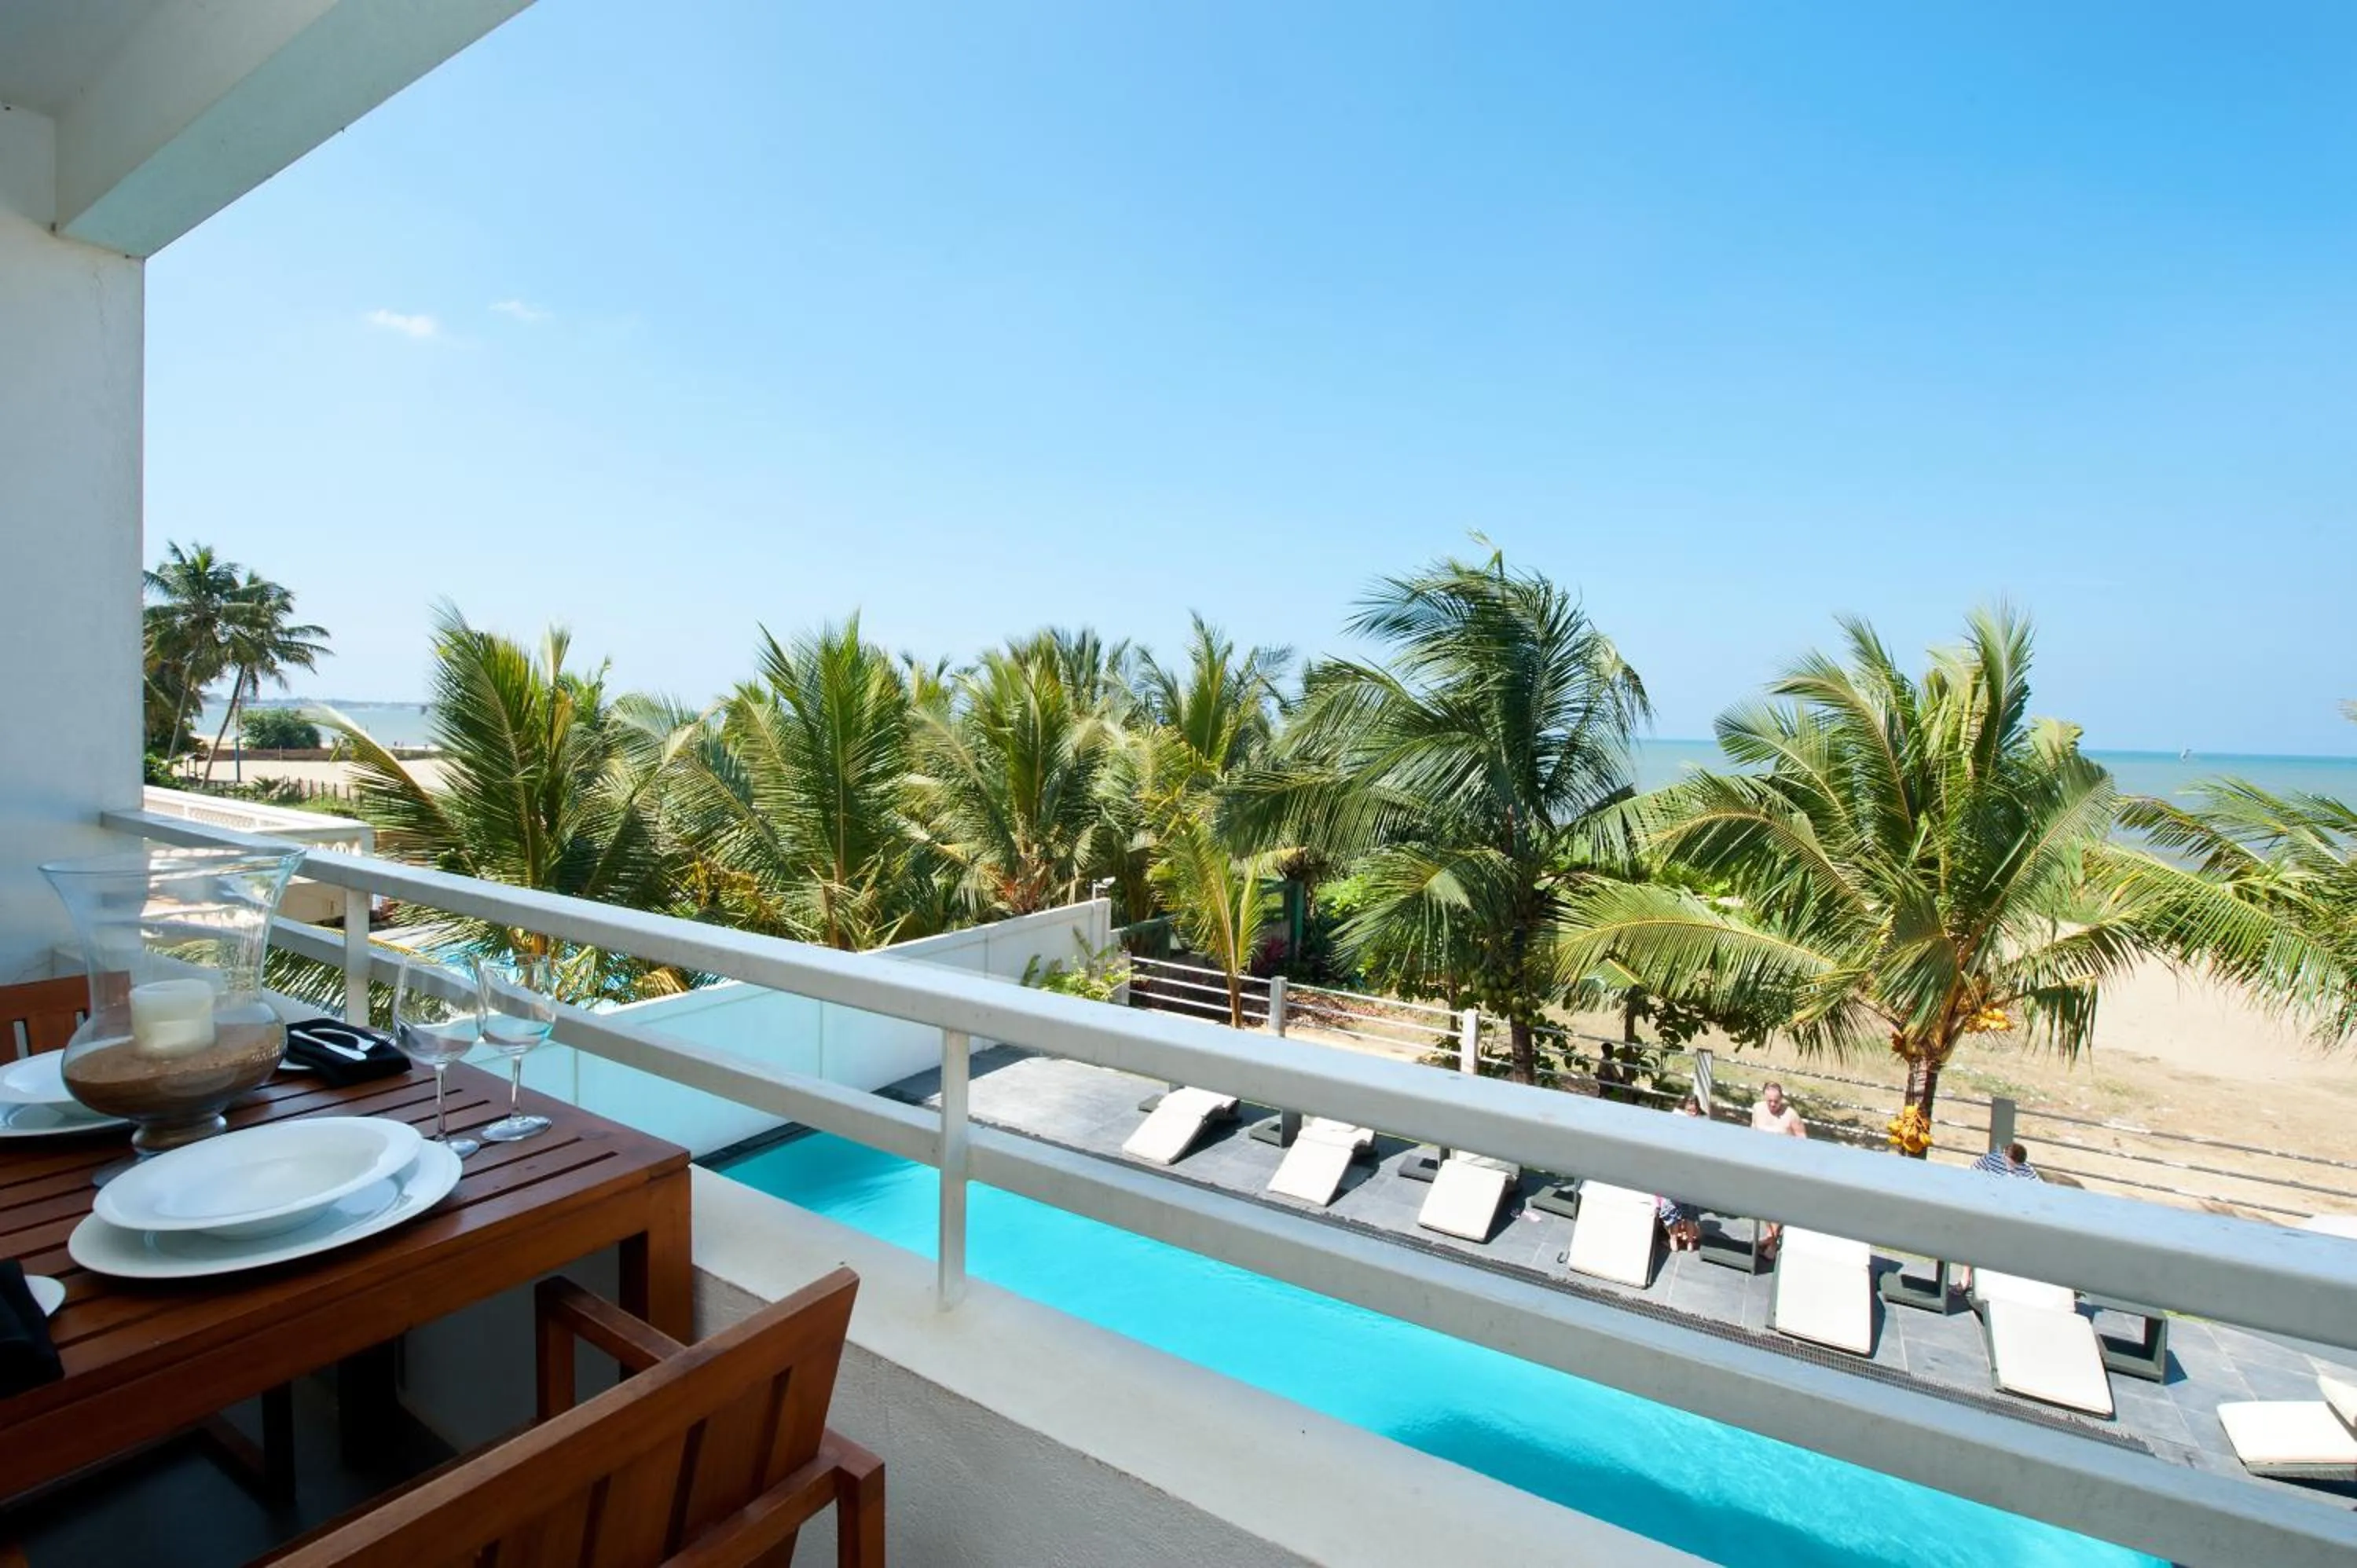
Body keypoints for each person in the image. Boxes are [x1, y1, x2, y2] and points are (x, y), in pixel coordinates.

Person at [1748, 1082, 1807, 1259]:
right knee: (1762, 1203)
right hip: (1762, 1163)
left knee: (1777, 1206)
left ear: (1782, 1099)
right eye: (1770, 1101)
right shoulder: (1757, 1108)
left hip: (1784, 1167)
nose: (1773, 1104)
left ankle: (1773, 1243)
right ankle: (1770, 1236)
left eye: (1776, 1101)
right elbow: (1752, 1131)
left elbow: (1803, 1139)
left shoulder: (1791, 1115)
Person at [1656, 1094, 1706, 1251]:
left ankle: (1683, 1241)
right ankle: (1681, 1240)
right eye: (1689, 1111)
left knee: (1681, 1206)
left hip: (1685, 1169)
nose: (1692, 1114)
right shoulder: (1696, 1122)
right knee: (1681, 1206)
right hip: (1687, 1168)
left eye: (1694, 1111)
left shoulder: (1689, 1122)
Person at [1970, 1141, 2041, 1181]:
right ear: (2004, 1155)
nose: (2014, 1166)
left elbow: (2038, 1186)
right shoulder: (1989, 1159)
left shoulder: (2027, 1170)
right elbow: (1973, 1172)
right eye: (2011, 1163)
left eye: (2017, 1164)